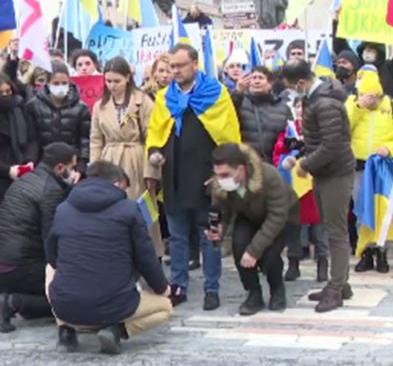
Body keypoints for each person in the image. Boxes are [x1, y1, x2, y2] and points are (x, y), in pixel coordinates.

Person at [144, 43, 241, 311]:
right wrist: (154, 153)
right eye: (171, 66)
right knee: (176, 237)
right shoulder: (165, 98)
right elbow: (156, 132)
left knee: (209, 235)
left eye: (179, 66)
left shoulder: (216, 94)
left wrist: (221, 174)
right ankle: (178, 286)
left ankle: (212, 288)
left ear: (194, 65)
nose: (174, 71)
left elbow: (229, 137)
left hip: (205, 178)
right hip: (174, 175)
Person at [46, 161, 172, 355]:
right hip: (116, 303)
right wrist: (162, 288)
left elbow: (52, 256)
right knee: (165, 308)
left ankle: (66, 329)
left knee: (50, 269)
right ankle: (116, 330)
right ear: (117, 183)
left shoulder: (63, 209)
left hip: (66, 304)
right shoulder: (129, 210)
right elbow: (146, 257)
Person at [281, 59, 355, 313]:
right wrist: (300, 153)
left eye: (292, 87)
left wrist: (305, 165)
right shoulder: (317, 99)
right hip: (325, 172)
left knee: (336, 232)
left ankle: (336, 288)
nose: (292, 93)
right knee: (332, 228)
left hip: (336, 173)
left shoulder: (324, 103)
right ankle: (340, 282)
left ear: (301, 82)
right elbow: (316, 138)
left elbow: (332, 144)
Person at [207, 143, 299, 315]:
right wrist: (219, 229)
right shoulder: (221, 185)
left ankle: (277, 289)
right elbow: (222, 211)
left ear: (241, 170)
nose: (221, 179)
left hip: (284, 216)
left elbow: (277, 217)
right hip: (248, 215)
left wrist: (255, 250)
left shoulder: (269, 176)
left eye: (225, 174)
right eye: (217, 175)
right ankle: (253, 293)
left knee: (269, 255)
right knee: (239, 247)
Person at [0, 143, 77, 333]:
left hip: (6, 260)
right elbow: (50, 237)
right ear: (60, 167)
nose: (74, 173)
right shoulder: (50, 190)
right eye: (72, 167)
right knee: (74, 295)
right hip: (21, 265)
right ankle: (14, 302)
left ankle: (17, 299)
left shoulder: (25, 180)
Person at [90, 57, 163, 256]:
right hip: (109, 160)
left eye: (117, 81)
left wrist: (151, 172)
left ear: (128, 78)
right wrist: (94, 170)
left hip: (136, 159)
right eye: (108, 81)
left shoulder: (144, 101)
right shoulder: (100, 106)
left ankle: (149, 256)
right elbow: (96, 139)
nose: (112, 86)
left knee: (140, 211)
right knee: (110, 210)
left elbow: (153, 137)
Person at [346, 69, 393, 273]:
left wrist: (390, 149)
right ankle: (366, 251)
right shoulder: (351, 104)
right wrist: (358, 107)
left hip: (384, 167)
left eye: (375, 96)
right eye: (368, 96)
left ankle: (382, 250)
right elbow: (342, 129)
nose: (372, 101)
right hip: (360, 167)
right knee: (362, 209)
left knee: (386, 210)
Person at [272, 97, 327, 282]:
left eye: (305, 107)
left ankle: (322, 264)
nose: (302, 110)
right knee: (293, 227)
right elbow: (277, 153)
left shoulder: (322, 130)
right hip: (293, 185)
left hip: (316, 184)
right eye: (298, 107)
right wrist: (286, 159)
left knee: (319, 229)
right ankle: (294, 264)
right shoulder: (288, 130)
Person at [26, 62, 91, 175]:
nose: (60, 87)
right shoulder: (33, 106)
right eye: (56, 83)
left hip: (71, 165)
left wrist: (81, 166)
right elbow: (31, 139)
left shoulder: (81, 108)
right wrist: (31, 161)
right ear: (47, 82)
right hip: (42, 165)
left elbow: (84, 140)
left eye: (64, 83)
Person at [234, 66, 291, 163]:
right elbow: (229, 114)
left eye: (260, 78)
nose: (257, 81)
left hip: (274, 164)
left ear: (270, 83)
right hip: (246, 163)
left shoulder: (282, 106)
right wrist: (238, 92)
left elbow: (290, 134)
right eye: (254, 78)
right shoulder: (240, 102)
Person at [0, 73, 37, 202]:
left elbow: (32, 138)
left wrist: (30, 161)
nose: (5, 96)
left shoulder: (20, 108)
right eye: (1, 93)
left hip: (22, 168)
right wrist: (8, 171)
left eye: (8, 91)